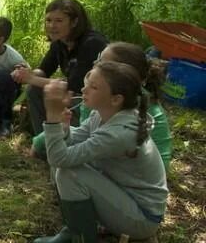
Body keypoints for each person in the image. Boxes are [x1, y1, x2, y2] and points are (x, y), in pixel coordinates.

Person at [33, 62, 168, 243]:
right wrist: (64, 126)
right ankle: (74, 230)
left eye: (94, 87)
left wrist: (52, 117)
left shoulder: (119, 133)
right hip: (125, 198)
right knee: (67, 168)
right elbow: (72, 143)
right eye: (88, 83)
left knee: (69, 173)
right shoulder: (103, 115)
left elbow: (59, 158)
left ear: (115, 99)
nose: (83, 89)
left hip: (142, 217)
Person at [30, 42, 173, 167]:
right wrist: (43, 140)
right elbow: (83, 133)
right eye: (97, 59)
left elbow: (74, 150)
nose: (94, 64)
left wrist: (53, 118)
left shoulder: (126, 108)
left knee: (67, 171)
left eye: (102, 63)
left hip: (134, 177)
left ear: (121, 73)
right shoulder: (106, 95)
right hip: (117, 161)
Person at [11, 0, 107, 135]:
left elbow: (75, 85)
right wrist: (26, 73)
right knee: (34, 89)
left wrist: (31, 78)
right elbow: (44, 70)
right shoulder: (60, 42)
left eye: (59, 21)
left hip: (94, 101)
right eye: (49, 20)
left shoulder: (92, 43)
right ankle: (43, 141)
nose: (52, 26)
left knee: (36, 86)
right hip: (76, 96)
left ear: (74, 22)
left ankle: (62, 140)